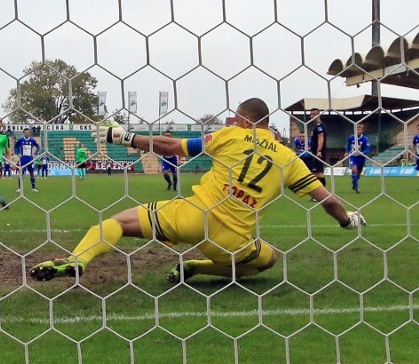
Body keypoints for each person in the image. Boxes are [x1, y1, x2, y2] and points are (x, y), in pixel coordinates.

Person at [29, 98, 366, 284]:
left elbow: (168, 145)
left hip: (194, 215)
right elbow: (329, 200)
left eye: (236, 118)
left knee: (117, 223)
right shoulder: (289, 159)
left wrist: (124, 137)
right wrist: (347, 221)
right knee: (267, 260)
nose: (233, 123)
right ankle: (198, 267)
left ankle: (78, 259)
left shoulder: (229, 136)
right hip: (233, 240)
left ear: (246, 121)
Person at [344, 124, 370, 194]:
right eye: (356, 130)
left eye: (359, 130)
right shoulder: (351, 137)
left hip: (361, 158)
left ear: (362, 131)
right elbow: (348, 145)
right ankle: (356, 188)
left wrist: (362, 152)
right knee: (354, 170)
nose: (357, 131)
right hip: (353, 157)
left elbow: (367, 149)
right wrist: (347, 151)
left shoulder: (365, 139)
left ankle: (354, 183)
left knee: (358, 173)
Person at [15, 127, 40, 192]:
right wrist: (18, 153)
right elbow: (15, 147)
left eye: (28, 132)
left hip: (30, 159)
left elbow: (38, 146)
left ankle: (33, 188)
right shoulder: (20, 140)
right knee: (21, 173)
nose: (27, 134)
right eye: (25, 133)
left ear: (29, 133)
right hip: (23, 159)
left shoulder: (32, 140)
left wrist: (35, 153)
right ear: (23, 133)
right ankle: (20, 188)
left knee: (31, 172)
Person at [308, 108, 327, 183]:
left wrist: (319, 151)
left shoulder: (319, 126)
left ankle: (323, 190)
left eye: (314, 114)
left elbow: (321, 137)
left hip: (318, 153)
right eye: (311, 114)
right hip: (314, 152)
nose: (312, 116)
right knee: (315, 173)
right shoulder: (315, 126)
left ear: (318, 115)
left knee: (318, 173)